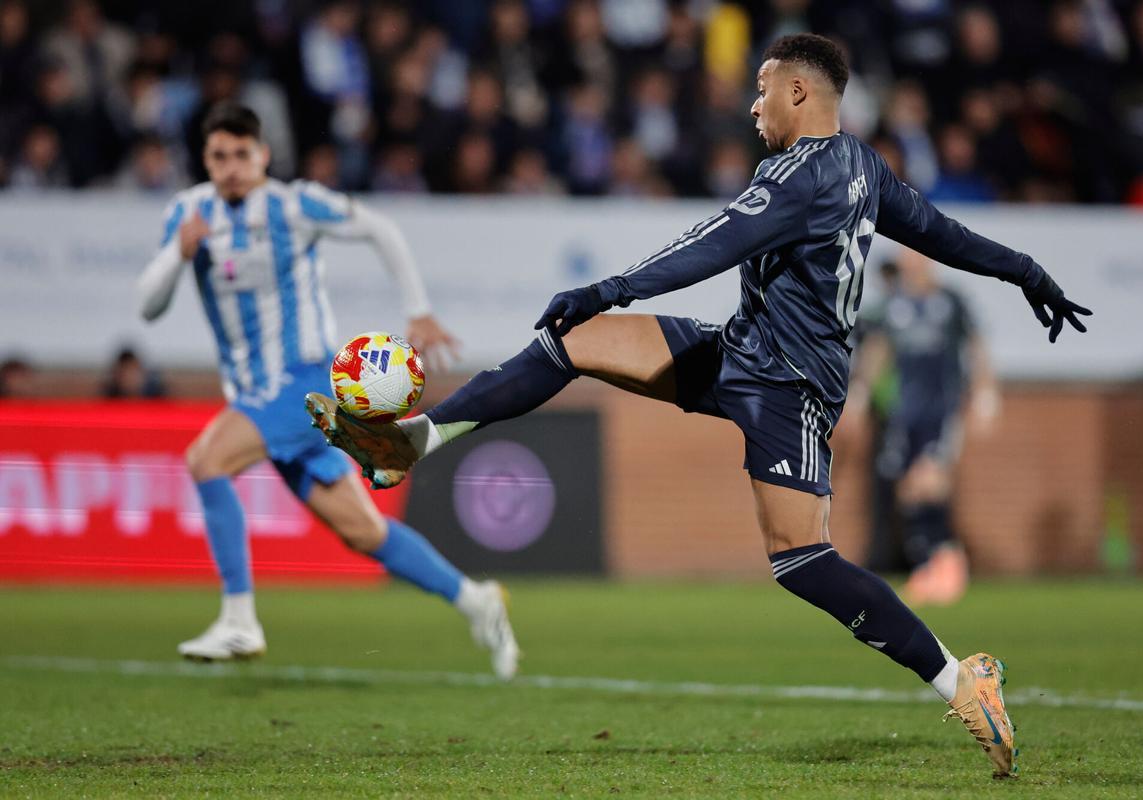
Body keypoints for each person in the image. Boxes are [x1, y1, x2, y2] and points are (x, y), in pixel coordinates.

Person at [307, 35, 1091, 776]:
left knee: (800, 561)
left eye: (760, 93)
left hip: (793, 389)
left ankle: (962, 680)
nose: (753, 109)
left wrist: (612, 283)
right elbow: (941, 233)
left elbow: (711, 242)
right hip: (740, 351)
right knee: (574, 342)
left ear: (797, 91)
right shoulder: (862, 166)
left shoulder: (800, 175)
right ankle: (420, 439)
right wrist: (1027, 271)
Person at [136, 103, 518, 679]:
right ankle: (475, 599)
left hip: (305, 384)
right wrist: (177, 252)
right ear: (206, 160)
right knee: (363, 531)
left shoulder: (294, 205)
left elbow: (380, 228)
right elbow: (149, 305)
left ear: (262, 155)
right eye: (220, 156)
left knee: (206, 460)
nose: (232, 167)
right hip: (257, 395)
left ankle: (239, 619)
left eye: (243, 154)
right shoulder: (188, 213)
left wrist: (418, 310)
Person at [845, 249, 1000, 606]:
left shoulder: (951, 302)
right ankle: (935, 563)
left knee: (929, 480)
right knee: (907, 488)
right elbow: (878, 350)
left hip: (940, 410)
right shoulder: (894, 306)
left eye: (916, 259)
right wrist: (860, 393)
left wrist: (985, 393)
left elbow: (975, 347)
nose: (912, 265)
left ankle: (946, 566)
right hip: (904, 411)